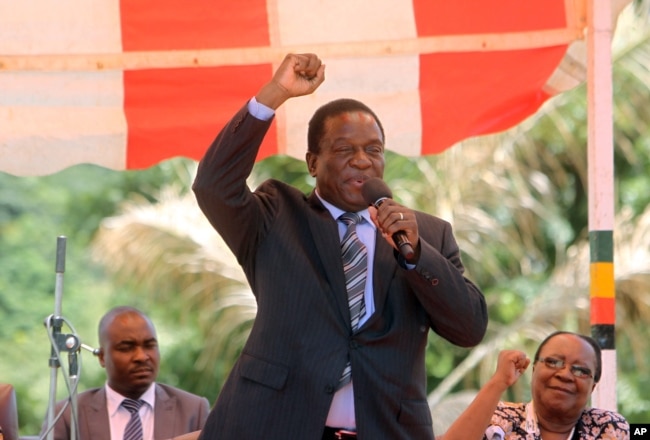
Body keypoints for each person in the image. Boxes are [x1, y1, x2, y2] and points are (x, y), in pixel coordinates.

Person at [192, 52, 488, 439]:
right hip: (272, 425)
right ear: (313, 162)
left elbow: (469, 328)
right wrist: (274, 94)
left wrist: (417, 257)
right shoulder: (276, 217)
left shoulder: (428, 235)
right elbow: (213, 186)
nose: (363, 162)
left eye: (374, 150)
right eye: (345, 150)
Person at [40, 306, 210, 440]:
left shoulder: (193, 410)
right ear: (102, 357)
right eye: (127, 348)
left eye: (149, 345)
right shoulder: (68, 414)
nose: (141, 356)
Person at [439, 331, 630, 440]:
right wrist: (498, 382)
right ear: (534, 369)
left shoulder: (609, 427)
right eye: (554, 362)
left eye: (580, 370)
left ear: (593, 387)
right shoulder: (497, 421)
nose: (565, 374)